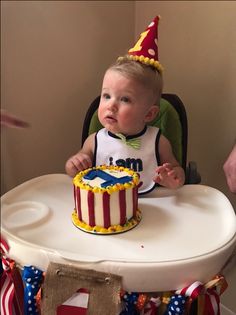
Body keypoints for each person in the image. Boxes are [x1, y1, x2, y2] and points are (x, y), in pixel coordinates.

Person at [65, 16, 185, 193]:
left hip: (152, 206)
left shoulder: (158, 142)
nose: (111, 105)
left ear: (149, 114)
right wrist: (73, 164)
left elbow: (178, 171)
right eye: (106, 96)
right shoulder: (94, 141)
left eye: (125, 99)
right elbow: (74, 170)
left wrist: (174, 178)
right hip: (106, 210)